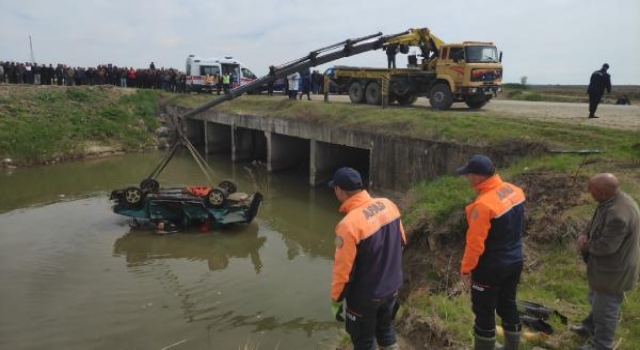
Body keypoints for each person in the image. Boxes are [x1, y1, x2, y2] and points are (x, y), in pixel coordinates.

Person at [329, 167, 406, 350]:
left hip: (365, 298)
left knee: (364, 342)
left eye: (334, 188)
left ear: (340, 190)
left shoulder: (348, 226)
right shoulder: (388, 205)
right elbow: (402, 242)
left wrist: (336, 300)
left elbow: (343, 271)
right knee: (386, 332)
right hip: (392, 288)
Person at [456, 154, 525, 350]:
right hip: (515, 260)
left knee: (484, 311)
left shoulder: (484, 205)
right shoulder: (515, 191)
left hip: (491, 267)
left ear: (478, 177)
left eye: (468, 175)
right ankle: (512, 346)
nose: (467, 179)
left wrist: (466, 269)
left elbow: (475, 244)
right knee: (508, 304)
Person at [572, 173, 640, 350]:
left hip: (614, 271)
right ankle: (589, 327)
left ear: (602, 192)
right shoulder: (611, 201)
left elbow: (606, 247)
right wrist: (585, 234)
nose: (588, 192)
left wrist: (585, 246)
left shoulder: (618, 214)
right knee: (596, 298)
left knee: (606, 308)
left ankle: (602, 344)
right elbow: (596, 221)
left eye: (591, 189)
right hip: (605, 269)